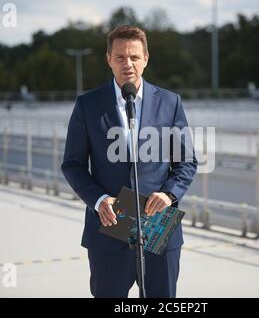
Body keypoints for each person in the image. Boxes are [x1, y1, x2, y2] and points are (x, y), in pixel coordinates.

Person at [61, 25, 197, 298]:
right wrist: (99, 200)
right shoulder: (88, 105)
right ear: (108, 59)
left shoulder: (170, 103)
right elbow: (73, 164)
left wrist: (169, 194)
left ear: (146, 58)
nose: (128, 64)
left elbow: (186, 161)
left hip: (158, 225)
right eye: (120, 57)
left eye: (134, 57)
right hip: (110, 227)